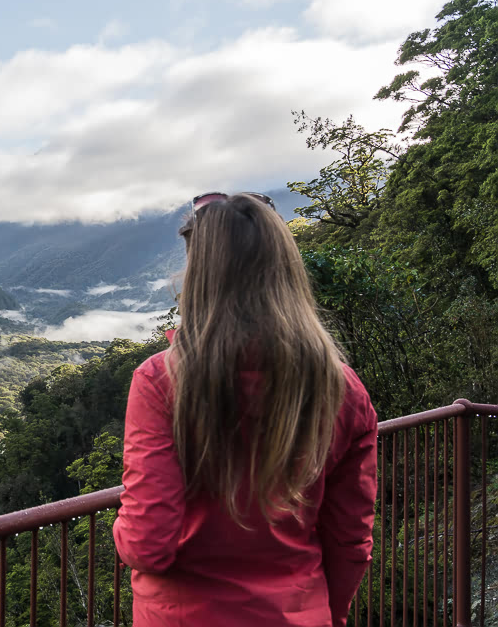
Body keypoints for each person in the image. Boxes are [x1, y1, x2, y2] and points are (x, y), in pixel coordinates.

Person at [111, 192, 378, 627]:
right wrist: (326, 612)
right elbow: (350, 541)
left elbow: (147, 545)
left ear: (198, 277)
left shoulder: (160, 381)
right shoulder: (343, 390)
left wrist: (120, 530)